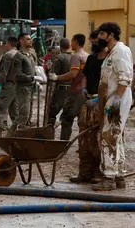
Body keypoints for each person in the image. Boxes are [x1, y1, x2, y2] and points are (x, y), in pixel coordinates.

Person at [92, 22, 133, 191]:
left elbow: (125, 79)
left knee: (109, 137)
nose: (99, 37)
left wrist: (114, 103)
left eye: (102, 34)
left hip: (117, 100)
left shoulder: (120, 51)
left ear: (110, 35)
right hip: (113, 99)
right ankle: (119, 176)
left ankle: (109, 178)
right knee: (116, 137)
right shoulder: (111, 53)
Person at [70, 29, 108, 184]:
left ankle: (98, 173)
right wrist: (84, 89)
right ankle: (84, 173)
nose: (93, 43)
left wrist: (100, 97)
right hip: (88, 101)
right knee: (84, 138)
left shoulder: (109, 59)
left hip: (102, 103)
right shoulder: (91, 58)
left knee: (98, 139)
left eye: (96, 41)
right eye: (92, 41)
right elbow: (84, 75)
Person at [49, 34, 89, 141]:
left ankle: (63, 144)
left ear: (76, 41)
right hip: (84, 91)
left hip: (75, 91)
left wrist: (57, 77)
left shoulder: (76, 56)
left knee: (66, 119)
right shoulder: (87, 55)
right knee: (82, 120)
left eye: (72, 41)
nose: (71, 44)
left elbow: (73, 74)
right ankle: (83, 144)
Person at [10, 33, 43, 132]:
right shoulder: (18, 56)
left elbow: (33, 68)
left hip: (31, 87)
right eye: (28, 39)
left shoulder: (30, 54)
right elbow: (17, 75)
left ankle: (21, 135)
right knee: (23, 115)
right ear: (21, 41)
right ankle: (11, 135)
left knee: (28, 116)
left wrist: (36, 80)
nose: (31, 41)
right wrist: (33, 78)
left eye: (30, 39)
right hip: (23, 88)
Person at [0, 36, 19, 137]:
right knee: (14, 112)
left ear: (8, 43)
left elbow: (4, 72)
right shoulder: (20, 54)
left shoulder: (8, 55)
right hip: (17, 86)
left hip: (8, 86)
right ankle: (16, 135)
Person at [47, 38, 72, 126]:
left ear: (60, 47)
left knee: (51, 112)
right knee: (67, 114)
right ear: (69, 46)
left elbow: (53, 75)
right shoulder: (73, 57)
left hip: (61, 89)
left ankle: (49, 130)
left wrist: (49, 69)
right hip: (71, 89)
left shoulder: (60, 57)